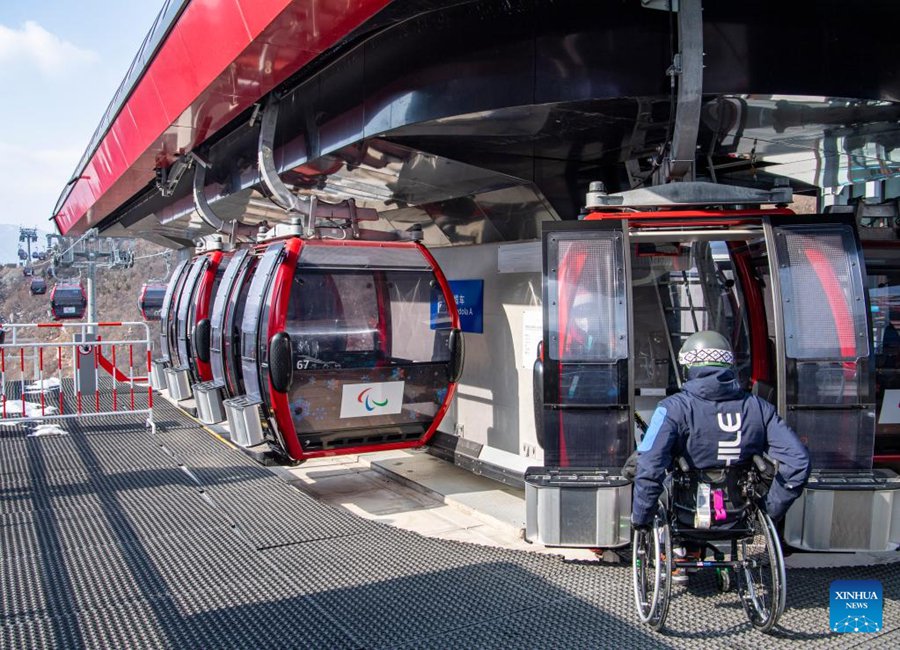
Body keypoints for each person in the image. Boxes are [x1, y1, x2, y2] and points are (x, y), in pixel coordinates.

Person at [630, 331, 811, 578]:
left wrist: (641, 518)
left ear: (689, 368)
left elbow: (649, 466)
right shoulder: (759, 408)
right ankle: (697, 549)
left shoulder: (671, 409)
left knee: (647, 469)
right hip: (738, 516)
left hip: (686, 513)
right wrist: (770, 509)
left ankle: (677, 551)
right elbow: (798, 461)